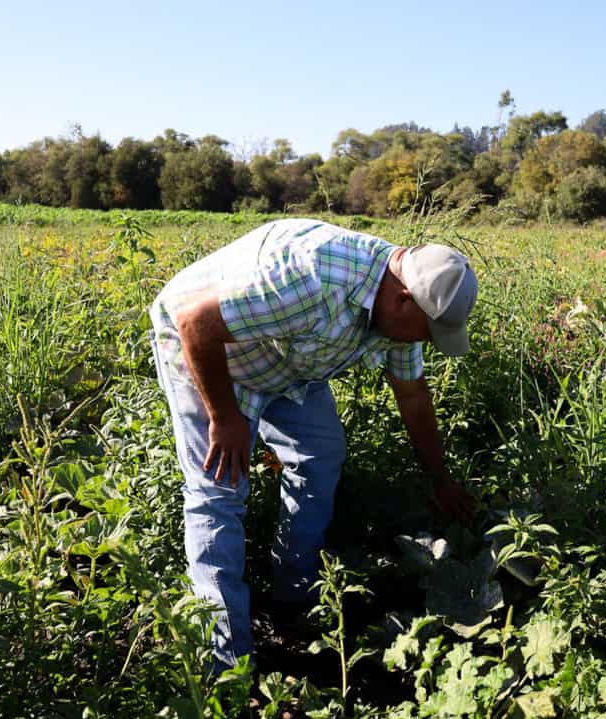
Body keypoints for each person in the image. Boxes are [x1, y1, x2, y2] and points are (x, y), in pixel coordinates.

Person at [148, 218, 478, 670]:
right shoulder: (313, 279)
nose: (425, 342)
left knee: (320, 453)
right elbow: (195, 323)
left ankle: (294, 592)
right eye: (427, 333)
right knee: (218, 493)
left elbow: (413, 395)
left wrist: (440, 480)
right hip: (208, 352)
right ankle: (224, 670)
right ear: (404, 300)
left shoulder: (402, 310)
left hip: (285, 361)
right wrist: (225, 418)